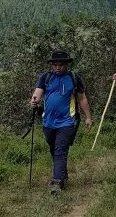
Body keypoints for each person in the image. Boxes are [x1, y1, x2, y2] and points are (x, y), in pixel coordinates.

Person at [29, 49, 91, 194]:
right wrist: (34, 101)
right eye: (55, 65)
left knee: (60, 150)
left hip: (67, 122)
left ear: (66, 65)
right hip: (48, 122)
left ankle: (56, 182)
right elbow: (37, 93)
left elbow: (82, 98)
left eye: (60, 65)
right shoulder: (46, 77)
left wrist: (88, 117)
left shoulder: (74, 78)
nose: (57, 67)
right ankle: (62, 174)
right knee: (54, 149)